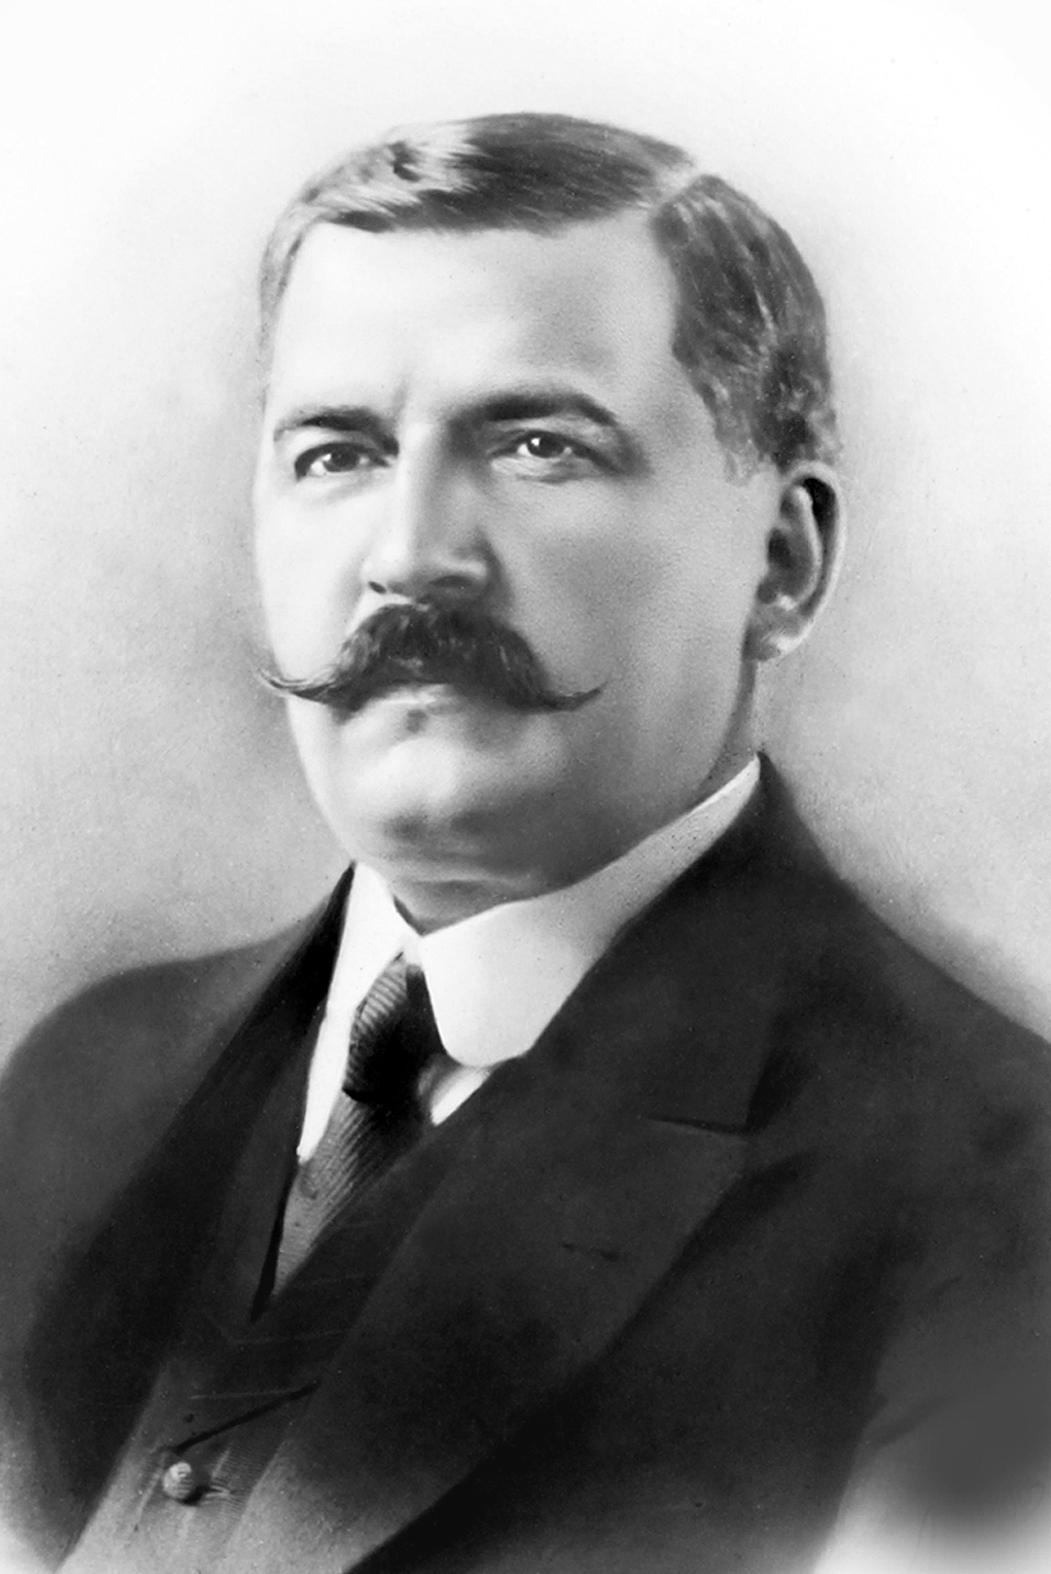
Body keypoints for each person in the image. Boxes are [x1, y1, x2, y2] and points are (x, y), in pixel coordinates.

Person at [1, 113, 1049, 1574]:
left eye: (539, 446)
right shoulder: (80, 1088)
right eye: (338, 453)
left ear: (784, 561)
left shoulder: (996, 1200)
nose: (410, 555)